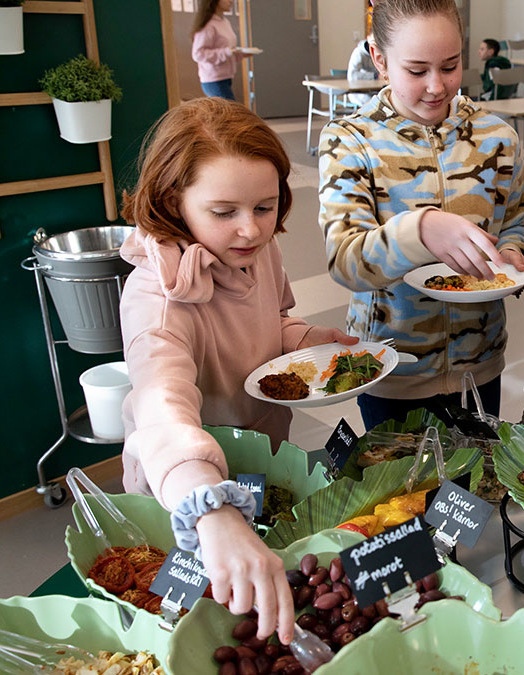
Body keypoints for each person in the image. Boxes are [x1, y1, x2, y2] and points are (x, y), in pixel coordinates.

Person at [119, 98, 358, 645]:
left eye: (265, 208)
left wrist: (310, 342)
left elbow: (273, 322)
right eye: (223, 212)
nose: (250, 230)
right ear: (172, 200)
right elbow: (162, 409)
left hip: (258, 460)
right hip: (185, 486)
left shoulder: (258, 250)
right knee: (191, 627)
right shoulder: (155, 299)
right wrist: (210, 507)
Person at [318, 0, 524, 432]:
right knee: (401, 498)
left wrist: (511, 251)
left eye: (450, 66)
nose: (436, 86)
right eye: (416, 71)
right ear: (379, 59)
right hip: (392, 368)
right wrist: (420, 229)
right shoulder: (350, 141)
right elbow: (345, 260)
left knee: (472, 488)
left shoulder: (496, 137)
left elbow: (515, 219)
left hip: (481, 362)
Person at [191, 0, 249, 100]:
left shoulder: (225, 22)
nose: (231, 1)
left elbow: (228, 51)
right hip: (214, 80)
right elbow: (198, 54)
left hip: (226, 77)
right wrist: (227, 52)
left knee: (226, 113)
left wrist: (241, 54)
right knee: (230, 113)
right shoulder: (208, 25)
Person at [346, 37, 377, 107]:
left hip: (373, 89)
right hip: (357, 92)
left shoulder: (378, 53)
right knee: (372, 103)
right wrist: (375, 76)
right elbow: (352, 75)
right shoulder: (358, 53)